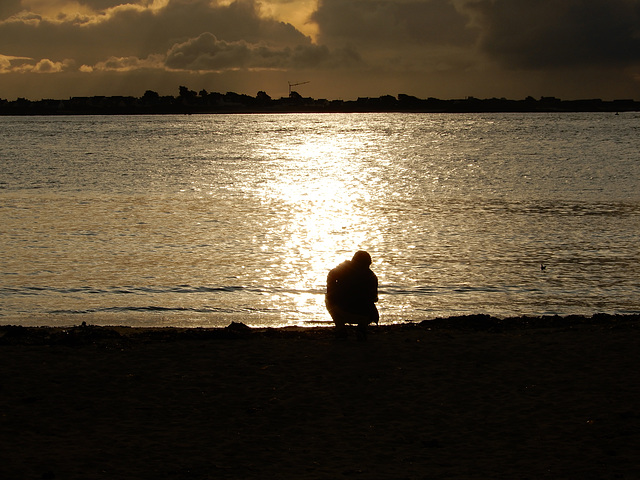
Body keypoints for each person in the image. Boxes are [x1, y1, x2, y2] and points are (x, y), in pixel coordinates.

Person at [325, 250, 379, 339]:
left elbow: (331, 274)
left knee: (328, 298)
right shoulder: (372, 276)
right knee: (370, 308)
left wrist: (332, 289)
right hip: (365, 314)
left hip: (342, 309)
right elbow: (374, 298)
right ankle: (362, 328)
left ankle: (340, 328)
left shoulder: (342, 269)